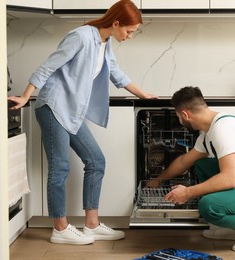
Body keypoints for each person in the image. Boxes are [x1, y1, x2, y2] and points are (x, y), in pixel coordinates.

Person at [8, 0, 157, 245]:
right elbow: (48, 66)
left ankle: (91, 224)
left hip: (72, 111)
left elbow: (115, 73)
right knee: (60, 168)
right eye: (129, 31)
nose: (130, 36)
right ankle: (60, 228)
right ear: (116, 22)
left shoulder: (105, 43)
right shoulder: (80, 36)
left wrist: (143, 94)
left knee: (96, 160)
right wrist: (26, 96)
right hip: (53, 107)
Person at [147, 86, 235, 253]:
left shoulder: (224, 129)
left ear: (185, 115)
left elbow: (229, 179)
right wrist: (157, 180)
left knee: (209, 206)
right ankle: (230, 228)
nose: (180, 121)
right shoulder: (209, 132)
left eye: (179, 117)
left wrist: (187, 193)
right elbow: (183, 162)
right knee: (202, 165)